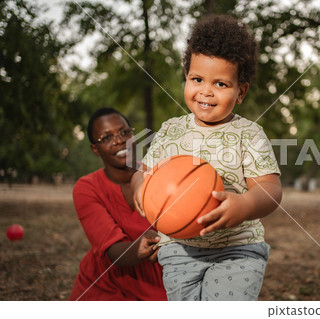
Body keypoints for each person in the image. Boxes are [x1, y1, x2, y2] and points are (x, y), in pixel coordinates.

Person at [131, 15, 282, 301]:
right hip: (178, 249)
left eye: (221, 84)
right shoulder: (171, 130)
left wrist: (247, 203)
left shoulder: (248, 133)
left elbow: (271, 189)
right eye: (197, 79)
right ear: (186, 78)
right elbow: (144, 172)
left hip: (237, 250)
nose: (206, 91)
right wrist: (140, 186)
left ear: (241, 92)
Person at [69, 107, 166, 301]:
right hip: (102, 288)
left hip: (156, 287)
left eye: (124, 132)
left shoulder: (160, 175)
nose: (119, 140)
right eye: (106, 138)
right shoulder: (87, 188)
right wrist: (139, 248)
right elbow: (112, 251)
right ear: (95, 149)